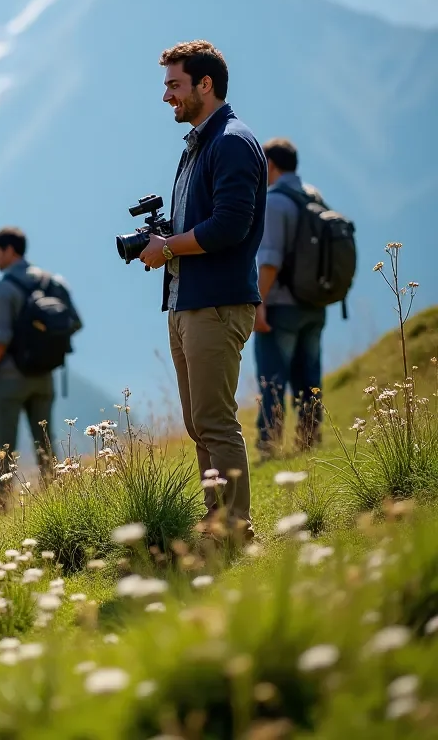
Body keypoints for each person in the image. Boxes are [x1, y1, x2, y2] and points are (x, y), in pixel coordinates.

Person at [138, 40, 267, 541]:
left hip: (215, 302)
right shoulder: (199, 143)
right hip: (188, 300)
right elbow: (203, 222)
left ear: (204, 84)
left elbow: (230, 227)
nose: (167, 95)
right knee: (198, 422)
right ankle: (217, 520)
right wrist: (164, 241)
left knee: (215, 420)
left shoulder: (231, 141)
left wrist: (167, 248)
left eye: (174, 84)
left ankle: (236, 527)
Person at [0, 227, 79, 506]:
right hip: (45, 375)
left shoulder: (4, 287)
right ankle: (56, 500)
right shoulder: (52, 282)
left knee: (4, 448)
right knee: (45, 443)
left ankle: (3, 506)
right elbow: (74, 322)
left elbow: (2, 338)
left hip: (10, 378)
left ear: (10, 251)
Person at [253, 138, 327, 454]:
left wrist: (259, 304)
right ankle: (309, 439)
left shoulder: (274, 202)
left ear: (270, 164)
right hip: (315, 303)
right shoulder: (314, 196)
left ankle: (269, 444)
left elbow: (269, 262)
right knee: (309, 376)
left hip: (281, 305)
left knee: (272, 379)